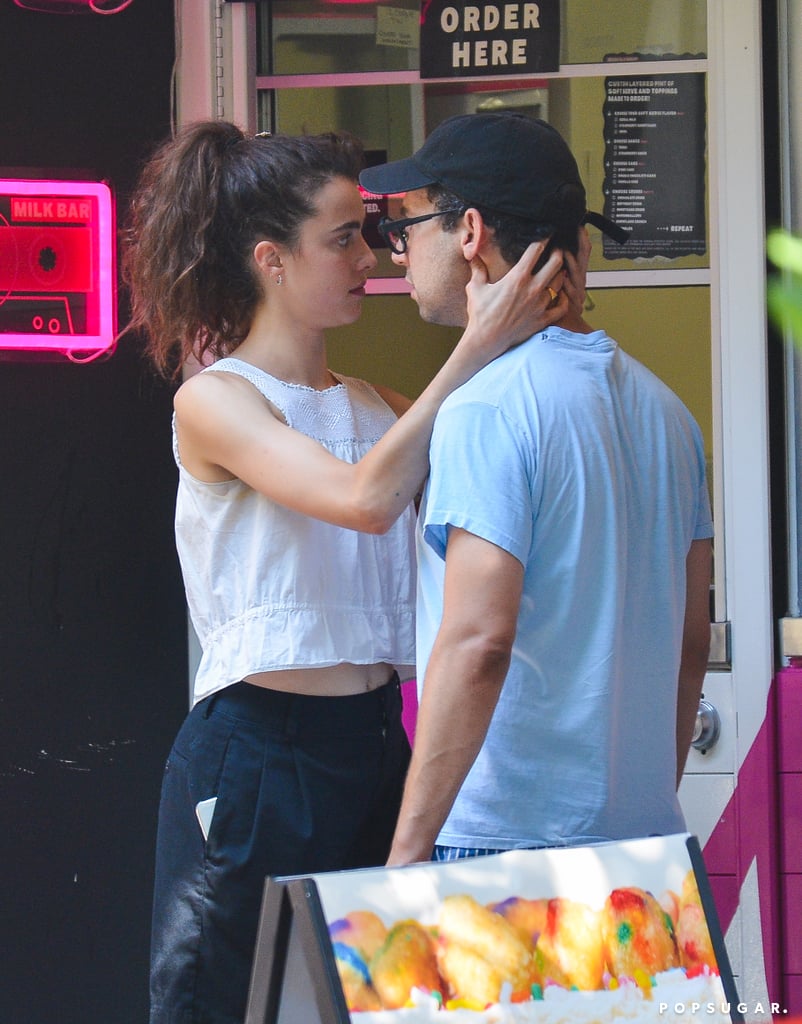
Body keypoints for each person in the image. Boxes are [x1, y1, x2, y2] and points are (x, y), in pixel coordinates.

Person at [120, 119, 581, 1024]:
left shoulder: (377, 407)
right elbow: (366, 499)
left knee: (378, 1010)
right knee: (215, 1006)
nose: (369, 255)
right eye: (342, 238)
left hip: (375, 743)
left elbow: (510, 453)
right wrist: (475, 347)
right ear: (271, 261)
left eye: (370, 233)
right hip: (254, 749)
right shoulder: (214, 401)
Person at [359, 111, 713, 867]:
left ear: (470, 232)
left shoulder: (488, 407)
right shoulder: (668, 413)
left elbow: (479, 641)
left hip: (504, 847)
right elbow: (690, 643)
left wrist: (408, 852)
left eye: (406, 228)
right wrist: (644, 799)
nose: (397, 256)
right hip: (645, 848)